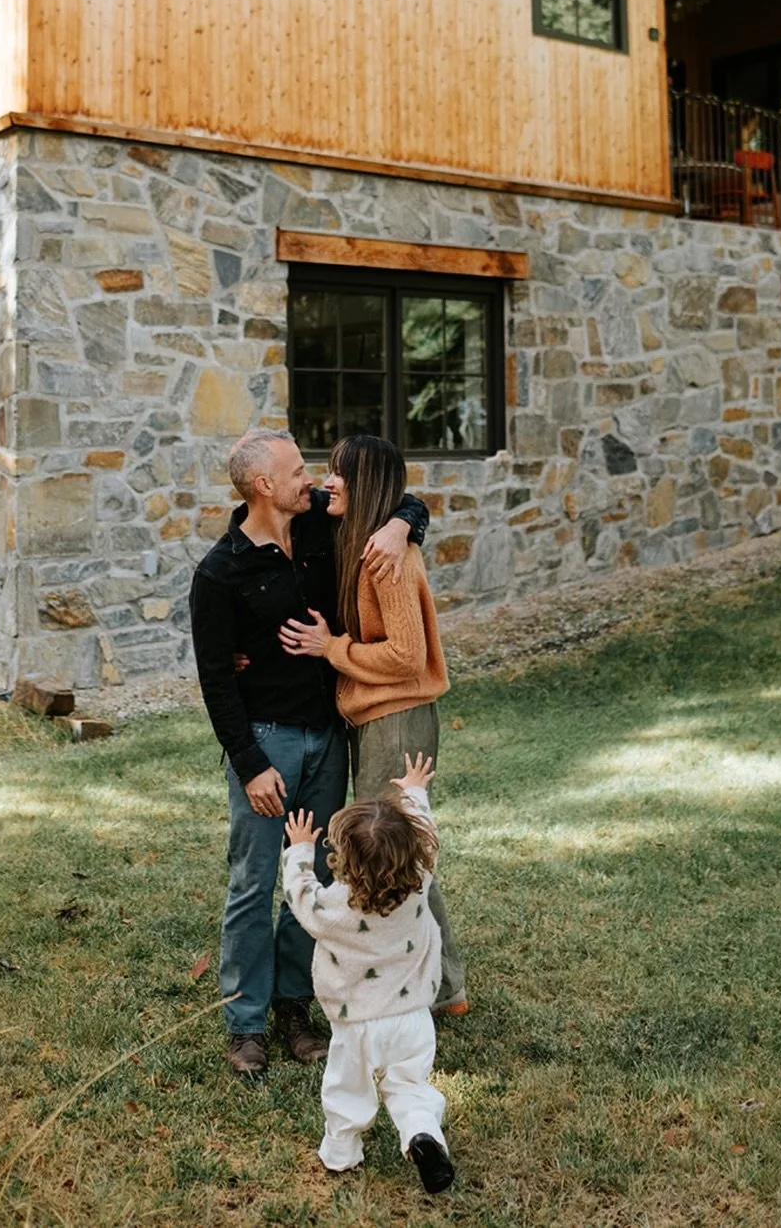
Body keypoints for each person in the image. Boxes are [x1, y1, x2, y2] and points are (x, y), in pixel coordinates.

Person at [189, 429, 430, 1078]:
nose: (316, 481)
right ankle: (245, 1024)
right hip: (266, 746)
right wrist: (248, 763)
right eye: (300, 471)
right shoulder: (220, 572)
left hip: (327, 739)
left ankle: (295, 1006)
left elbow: (401, 498)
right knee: (252, 884)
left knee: (320, 882)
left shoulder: (322, 528)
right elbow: (215, 678)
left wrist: (404, 523)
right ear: (265, 485)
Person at [278, 433, 466, 1013]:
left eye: (339, 475)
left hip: (398, 718)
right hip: (379, 715)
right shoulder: (365, 538)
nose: (325, 483)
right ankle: (443, 986)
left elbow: (407, 656)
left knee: (396, 852)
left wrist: (333, 649)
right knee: (401, 849)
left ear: (365, 488)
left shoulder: (385, 557)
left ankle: (440, 987)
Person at [282, 753, 456, 1193]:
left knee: (348, 1090)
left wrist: (301, 849)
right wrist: (413, 791)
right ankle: (422, 1134)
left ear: (346, 859)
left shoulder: (334, 908)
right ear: (411, 850)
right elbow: (427, 830)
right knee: (409, 1086)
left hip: (356, 1023)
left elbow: (300, 895)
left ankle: (341, 1151)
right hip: (412, 1016)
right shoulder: (420, 877)